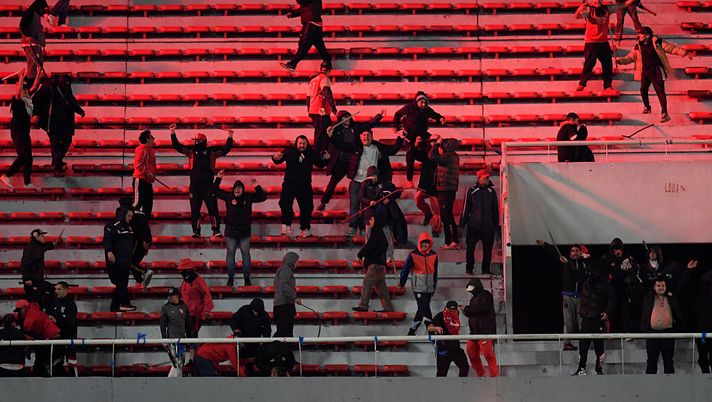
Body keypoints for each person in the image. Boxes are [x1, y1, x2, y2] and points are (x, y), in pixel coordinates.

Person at [616, 26, 693, 123]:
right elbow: (630, 57)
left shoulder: (657, 42)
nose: (638, 35)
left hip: (656, 70)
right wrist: (620, 61)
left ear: (647, 35)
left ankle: (664, 113)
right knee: (643, 89)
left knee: (660, 91)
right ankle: (647, 107)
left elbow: (671, 48)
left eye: (641, 34)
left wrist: (684, 53)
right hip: (645, 70)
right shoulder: (638, 45)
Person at [170, 123, 233, 238]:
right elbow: (177, 146)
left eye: (197, 141)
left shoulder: (212, 153)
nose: (195, 143)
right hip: (195, 186)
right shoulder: (191, 152)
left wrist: (230, 137)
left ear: (202, 141)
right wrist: (173, 133)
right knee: (195, 209)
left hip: (209, 185)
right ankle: (196, 231)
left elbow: (226, 149)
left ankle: (216, 230)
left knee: (213, 208)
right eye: (195, 141)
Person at [317, 109, 384, 211]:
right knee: (333, 181)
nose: (346, 120)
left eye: (348, 117)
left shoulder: (355, 127)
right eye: (343, 118)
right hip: (341, 161)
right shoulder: (336, 129)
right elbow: (325, 129)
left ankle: (365, 209)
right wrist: (323, 117)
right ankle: (323, 202)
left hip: (355, 160)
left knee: (362, 183)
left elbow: (368, 125)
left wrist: (379, 116)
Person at [345, 129, 405, 236]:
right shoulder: (356, 147)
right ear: (360, 136)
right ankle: (352, 227)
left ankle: (364, 227)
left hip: (371, 183)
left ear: (372, 137)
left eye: (368, 135)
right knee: (354, 204)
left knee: (368, 206)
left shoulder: (378, 148)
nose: (366, 137)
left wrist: (400, 138)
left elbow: (393, 150)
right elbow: (340, 145)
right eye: (364, 134)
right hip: (356, 181)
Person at [214, 170, 267, 287]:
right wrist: (218, 178)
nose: (237, 189)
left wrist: (257, 186)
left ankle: (247, 279)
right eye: (235, 188)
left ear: (243, 189)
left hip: (244, 232)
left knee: (245, 255)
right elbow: (215, 191)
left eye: (239, 188)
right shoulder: (228, 196)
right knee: (230, 255)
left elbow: (263, 197)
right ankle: (231, 278)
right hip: (231, 232)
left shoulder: (248, 197)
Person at [272, 135, 330, 237]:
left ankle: (305, 229)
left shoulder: (311, 153)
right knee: (285, 203)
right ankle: (286, 225)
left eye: (304, 143)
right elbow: (278, 160)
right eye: (300, 143)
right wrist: (274, 157)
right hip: (289, 182)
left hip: (305, 184)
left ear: (307, 144)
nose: (302, 145)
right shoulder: (289, 151)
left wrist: (327, 159)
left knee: (307, 207)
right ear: (296, 143)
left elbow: (320, 164)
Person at [574, 0, 637, 92]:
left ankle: (607, 86)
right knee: (590, 63)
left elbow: (622, 5)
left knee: (607, 64)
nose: (597, 1)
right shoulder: (589, 10)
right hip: (591, 42)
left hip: (603, 42)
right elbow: (577, 16)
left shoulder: (607, 9)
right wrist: (584, 5)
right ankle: (581, 84)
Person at [32, 74, 85, 177]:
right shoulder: (49, 86)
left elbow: (70, 99)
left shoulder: (64, 86)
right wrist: (36, 114)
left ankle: (57, 160)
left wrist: (79, 110)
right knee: (56, 144)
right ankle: (57, 168)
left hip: (65, 121)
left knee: (67, 140)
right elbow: (37, 99)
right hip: (52, 121)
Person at [393, 91, 445, 188]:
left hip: (422, 134)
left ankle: (429, 180)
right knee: (410, 155)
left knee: (429, 154)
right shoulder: (408, 107)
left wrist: (441, 118)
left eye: (425, 102)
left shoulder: (426, 109)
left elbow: (435, 115)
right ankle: (409, 180)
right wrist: (397, 128)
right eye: (422, 102)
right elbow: (397, 114)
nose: (424, 104)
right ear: (417, 101)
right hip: (410, 135)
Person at [573, 262, 615, 376]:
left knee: (599, 346)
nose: (591, 274)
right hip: (586, 318)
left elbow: (612, 298)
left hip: (598, 318)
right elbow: (574, 274)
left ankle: (599, 369)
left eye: (593, 272)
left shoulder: (605, 284)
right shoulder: (585, 280)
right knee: (583, 345)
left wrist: (607, 312)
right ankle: (581, 368)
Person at [640, 276, 684, 374]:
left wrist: (688, 270)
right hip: (652, 333)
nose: (661, 287)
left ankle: (669, 386)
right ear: (654, 287)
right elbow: (639, 285)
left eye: (663, 285)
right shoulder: (649, 296)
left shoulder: (671, 296)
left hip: (668, 333)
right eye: (658, 285)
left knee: (668, 361)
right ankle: (650, 386)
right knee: (651, 361)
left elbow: (682, 284)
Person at [352, 213, 394, 312]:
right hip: (381, 265)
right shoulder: (380, 233)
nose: (370, 222)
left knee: (367, 282)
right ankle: (388, 307)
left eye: (372, 220)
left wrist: (360, 254)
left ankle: (363, 305)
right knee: (381, 287)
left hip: (376, 265)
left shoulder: (377, 233)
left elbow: (370, 246)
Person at [460, 169, 498, 275]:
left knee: (488, 250)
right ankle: (469, 269)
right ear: (479, 178)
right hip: (473, 226)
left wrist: (495, 225)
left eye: (488, 177)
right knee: (470, 248)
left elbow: (495, 210)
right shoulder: (471, 190)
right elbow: (466, 208)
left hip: (488, 226)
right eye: (485, 177)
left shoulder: (492, 192)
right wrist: (462, 224)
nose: (487, 179)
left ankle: (485, 270)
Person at [399, 232, 438, 335]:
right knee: (425, 307)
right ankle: (431, 329)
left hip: (429, 287)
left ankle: (412, 331)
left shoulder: (434, 255)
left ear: (430, 243)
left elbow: (435, 272)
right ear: (419, 243)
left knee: (421, 309)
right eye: (422, 243)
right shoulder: (413, 255)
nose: (424, 245)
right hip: (418, 287)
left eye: (427, 243)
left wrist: (434, 286)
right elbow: (405, 270)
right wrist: (401, 283)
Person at [1, 76, 35, 190]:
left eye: (26, 89)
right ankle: (7, 175)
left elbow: (35, 86)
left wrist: (39, 74)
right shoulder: (16, 99)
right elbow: (18, 92)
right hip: (18, 131)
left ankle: (27, 182)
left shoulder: (28, 100)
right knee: (23, 156)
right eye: (23, 89)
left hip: (25, 131)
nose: (25, 91)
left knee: (29, 157)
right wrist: (21, 77)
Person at [462, 278, 499, 377]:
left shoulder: (485, 295)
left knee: (487, 354)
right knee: (471, 353)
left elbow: (482, 309)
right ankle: (481, 373)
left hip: (485, 331)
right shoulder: (472, 299)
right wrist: (466, 311)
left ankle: (494, 375)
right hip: (474, 332)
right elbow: (474, 314)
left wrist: (467, 309)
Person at [280, 0, 331, 72]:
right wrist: (293, 13)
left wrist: (293, 13)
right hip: (316, 24)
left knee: (303, 45)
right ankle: (328, 63)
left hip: (311, 24)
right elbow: (304, 9)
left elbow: (301, 1)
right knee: (320, 46)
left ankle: (293, 64)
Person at [14, 299, 61, 377]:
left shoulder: (29, 318)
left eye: (19, 310)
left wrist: (28, 348)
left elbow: (32, 334)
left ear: (24, 308)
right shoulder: (32, 312)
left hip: (51, 340)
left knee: (41, 364)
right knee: (40, 363)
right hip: (49, 339)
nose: (17, 313)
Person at [103, 204, 136, 312]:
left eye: (132, 217)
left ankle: (115, 306)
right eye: (129, 216)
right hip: (116, 261)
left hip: (125, 261)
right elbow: (107, 240)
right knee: (121, 282)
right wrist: (109, 251)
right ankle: (124, 303)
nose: (130, 219)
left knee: (123, 283)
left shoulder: (130, 228)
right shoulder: (112, 226)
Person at [429, 137, 460, 249]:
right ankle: (450, 241)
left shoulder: (448, 156)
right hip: (447, 189)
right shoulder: (453, 156)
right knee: (447, 215)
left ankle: (452, 240)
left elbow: (431, 157)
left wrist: (436, 145)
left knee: (447, 215)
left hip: (446, 189)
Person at [21, 228, 62, 310]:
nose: (44, 237)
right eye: (42, 236)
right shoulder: (31, 248)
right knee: (34, 303)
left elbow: (46, 246)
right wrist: (27, 278)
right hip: (32, 280)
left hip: (37, 279)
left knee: (45, 293)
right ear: (36, 237)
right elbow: (25, 264)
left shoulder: (37, 246)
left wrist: (54, 244)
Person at [159, 287, 196, 378]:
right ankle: (174, 382)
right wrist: (164, 339)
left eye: (172, 296)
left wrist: (191, 340)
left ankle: (173, 381)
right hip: (173, 340)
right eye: (169, 296)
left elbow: (189, 325)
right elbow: (162, 325)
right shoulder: (165, 308)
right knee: (177, 363)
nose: (170, 298)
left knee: (180, 363)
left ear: (177, 296)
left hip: (182, 340)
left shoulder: (184, 306)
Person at [427, 301, 469, 377]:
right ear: (446, 308)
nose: (452, 312)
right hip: (444, 350)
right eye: (450, 310)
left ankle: (461, 384)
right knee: (441, 374)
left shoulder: (457, 315)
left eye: (453, 310)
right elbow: (429, 328)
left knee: (464, 367)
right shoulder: (440, 316)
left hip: (455, 348)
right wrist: (436, 328)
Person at [47, 281, 77, 376]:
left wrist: (57, 320)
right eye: (55, 289)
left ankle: (74, 379)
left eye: (59, 289)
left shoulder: (71, 304)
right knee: (56, 361)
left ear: (66, 290)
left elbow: (71, 321)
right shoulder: (54, 301)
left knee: (71, 361)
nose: (56, 291)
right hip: (56, 337)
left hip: (68, 337)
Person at [412, 135, 441, 232]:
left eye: (435, 141)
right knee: (417, 199)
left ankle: (436, 229)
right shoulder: (426, 151)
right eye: (431, 140)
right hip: (425, 183)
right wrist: (415, 145)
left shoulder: (443, 152)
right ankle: (428, 214)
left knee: (436, 208)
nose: (432, 142)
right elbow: (416, 155)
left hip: (436, 185)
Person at [306, 63, 337, 152]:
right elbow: (325, 90)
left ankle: (319, 151)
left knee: (319, 132)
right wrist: (333, 106)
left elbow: (308, 97)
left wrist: (309, 110)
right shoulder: (324, 78)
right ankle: (322, 152)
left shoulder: (313, 79)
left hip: (313, 110)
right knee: (325, 132)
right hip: (321, 110)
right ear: (328, 71)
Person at [179, 259, 214, 336]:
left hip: (196, 314)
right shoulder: (186, 281)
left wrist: (206, 311)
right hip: (187, 313)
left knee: (192, 336)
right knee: (189, 336)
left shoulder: (198, 281)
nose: (181, 272)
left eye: (182, 270)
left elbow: (207, 295)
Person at [20, 0, 48, 90]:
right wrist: (29, 35)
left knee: (38, 66)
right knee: (33, 66)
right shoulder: (30, 13)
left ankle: (33, 84)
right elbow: (22, 24)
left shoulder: (35, 14)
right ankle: (31, 86)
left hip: (36, 43)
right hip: (31, 44)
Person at [273, 252, 301, 337]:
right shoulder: (286, 270)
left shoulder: (284, 270)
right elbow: (284, 285)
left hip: (283, 306)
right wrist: (294, 297)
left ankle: (284, 349)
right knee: (284, 332)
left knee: (284, 331)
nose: (298, 263)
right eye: (297, 261)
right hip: (284, 306)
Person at [132, 130, 157, 217]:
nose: (153, 139)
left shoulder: (148, 150)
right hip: (141, 180)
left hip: (147, 181)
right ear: (147, 139)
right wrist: (147, 172)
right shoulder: (142, 150)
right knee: (137, 203)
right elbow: (138, 165)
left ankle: (143, 227)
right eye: (152, 137)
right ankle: (126, 222)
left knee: (147, 207)